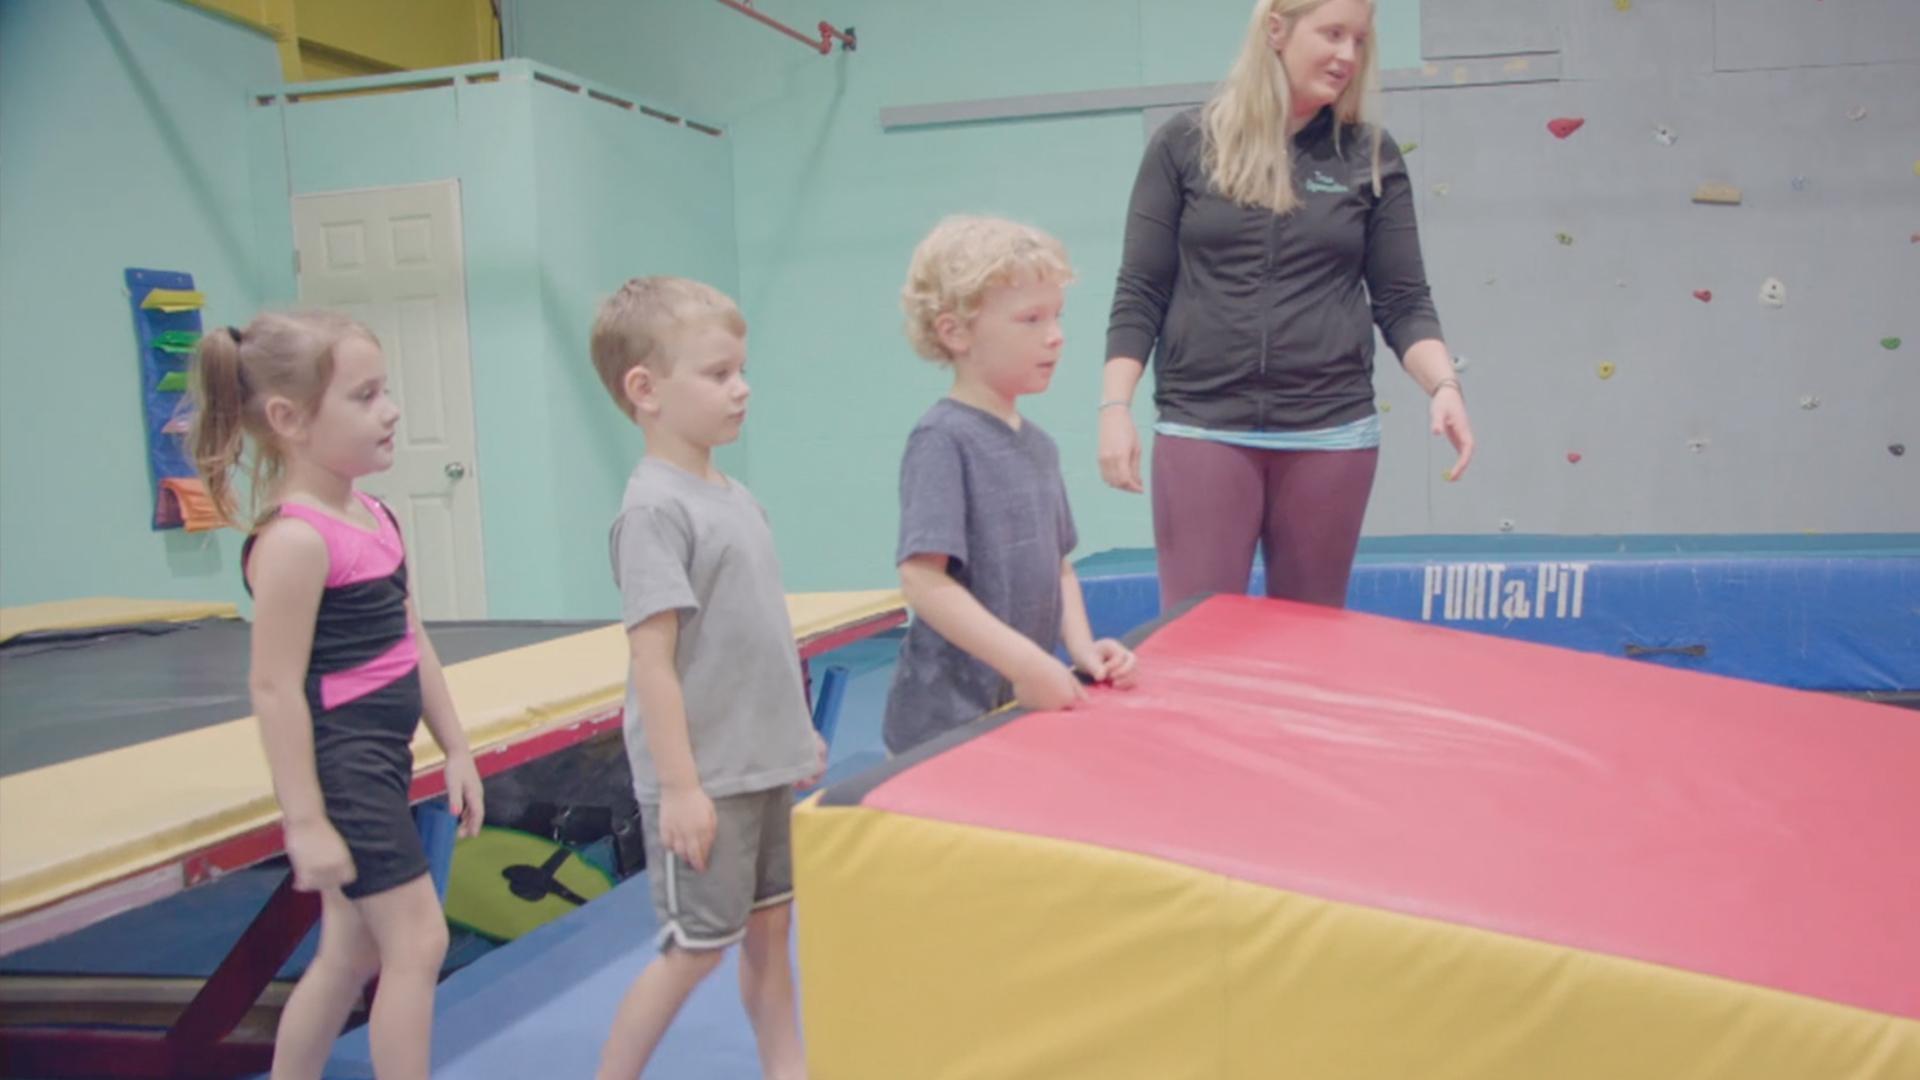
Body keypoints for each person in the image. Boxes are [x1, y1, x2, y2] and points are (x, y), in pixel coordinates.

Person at [1099, 0, 1475, 612]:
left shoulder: (1369, 157)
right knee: (1198, 641)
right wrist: (1115, 406)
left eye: (1359, 40)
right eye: (1332, 34)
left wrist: (1444, 386)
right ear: (1276, 29)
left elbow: (1403, 299)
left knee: (1309, 645)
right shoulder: (1185, 145)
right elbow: (1141, 290)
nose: (1348, 56)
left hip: (1331, 434)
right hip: (1204, 425)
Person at [190, 312, 485, 1080]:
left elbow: (410, 640)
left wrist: (454, 746)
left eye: (385, 390)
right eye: (364, 396)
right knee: (417, 941)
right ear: (288, 420)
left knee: (349, 950)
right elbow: (276, 688)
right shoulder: (295, 540)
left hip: (382, 756)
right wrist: (307, 821)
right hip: (345, 766)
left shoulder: (374, 515)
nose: (390, 410)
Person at [589, 277, 825, 1080]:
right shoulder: (655, 510)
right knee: (695, 949)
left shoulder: (734, 496)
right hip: (707, 780)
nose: (742, 388)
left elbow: (755, 636)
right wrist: (682, 788)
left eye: (741, 369)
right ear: (646, 391)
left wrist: (795, 736)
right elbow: (652, 662)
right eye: (719, 374)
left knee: (770, 934)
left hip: (759, 764)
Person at [883, 215, 1140, 758]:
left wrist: (1080, 648)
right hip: (943, 726)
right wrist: (1025, 662)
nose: (1055, 335)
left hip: (1015, 709)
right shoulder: (942, 438)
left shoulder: (1039, 445)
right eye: (1030, 319)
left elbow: (1060, 564)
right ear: (956, 332)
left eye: (1056, 316)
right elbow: (922, 581)